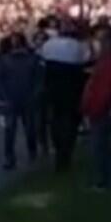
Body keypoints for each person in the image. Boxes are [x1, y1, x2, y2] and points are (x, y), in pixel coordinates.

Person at [40, 22, 90, 172]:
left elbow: (43, 65)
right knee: (71, 122)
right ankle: (66, 152)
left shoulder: (49, 45)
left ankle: (59, 149)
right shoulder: (79, 47)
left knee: (56, 120)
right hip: (73, 89)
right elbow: (85, 64)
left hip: (53, 89)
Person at [0, 32, 42, 170]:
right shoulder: (29, 59)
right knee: (21, 129)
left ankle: (14, 157)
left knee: (17, 129)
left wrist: (2, 96)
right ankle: (20, 155)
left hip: (18, 99)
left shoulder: (8, 60)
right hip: (18, 99)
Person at [81, 26, 111, 190]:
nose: (98, 44)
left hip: (102, 110)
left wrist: (92, 108)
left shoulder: (106, 62)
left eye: (101, 40)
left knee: (99, 147)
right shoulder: (102, 61)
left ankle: (103, 180)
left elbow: (103, 89)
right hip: (99, 109)